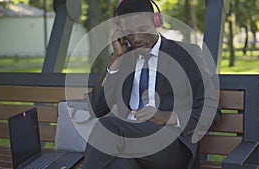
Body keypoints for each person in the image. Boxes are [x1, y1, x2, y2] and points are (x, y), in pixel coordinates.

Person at [82, 0, 221, 168]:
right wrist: (115, 61)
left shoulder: (186, 54)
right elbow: (96, 108)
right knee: (119, 165)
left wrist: (166, 116)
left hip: (170, 145)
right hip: (128, 142)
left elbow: (212, 110)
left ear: (157, 22)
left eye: (143, 29)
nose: (137, 39)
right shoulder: (124, 59)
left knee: (108, 126)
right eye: (129, 33)